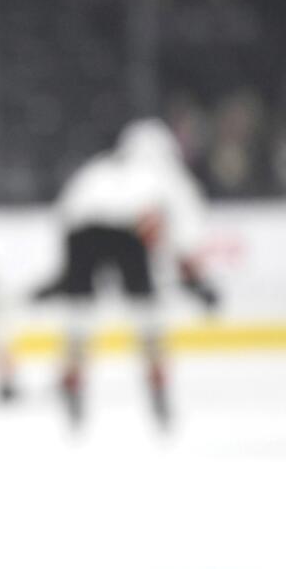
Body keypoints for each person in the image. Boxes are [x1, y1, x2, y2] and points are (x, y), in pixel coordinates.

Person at [32, 117, 219, 429]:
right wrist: (193, 276)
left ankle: (72, 379)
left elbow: (66, 214)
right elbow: (185, 228)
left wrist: (66, 274)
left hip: (82, 236)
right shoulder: (166, 174)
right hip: (127, 235)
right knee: (147, 315)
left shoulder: (98, 169)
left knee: (79, 315)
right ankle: (157, 384)